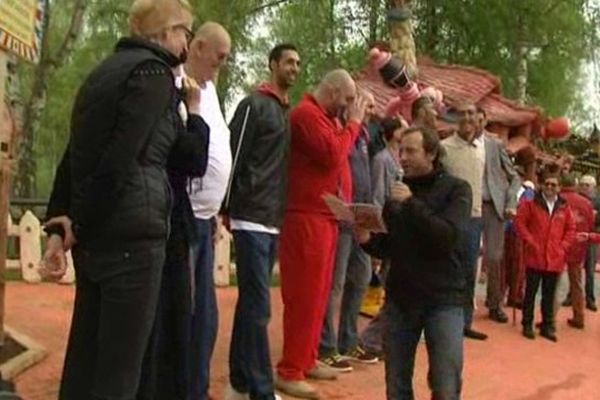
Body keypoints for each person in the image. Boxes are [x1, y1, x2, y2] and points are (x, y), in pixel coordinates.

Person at [40, 1, 211, 399]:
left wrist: (62, 222)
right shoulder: (154, 75)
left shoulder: (101, 74)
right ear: (167, 33)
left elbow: (75, 154)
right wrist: (80, 223)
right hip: (133, 237)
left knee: (86, 362)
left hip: (101, 238)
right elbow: (122, 158)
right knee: (121, 372)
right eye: (185, 32)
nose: (186, 40)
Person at [357, 126, 472, 400]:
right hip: (401, 301)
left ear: (431, 153)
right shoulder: (396, 196)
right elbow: (390, 247)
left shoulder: (457, 190)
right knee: (396, 385)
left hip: (444, 300)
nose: (403, 157)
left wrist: (411, 204)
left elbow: (447, 237)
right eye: (401, 150)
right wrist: (365, 239)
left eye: (411, 151)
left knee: (445, 385)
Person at [275, 69, 368, 400]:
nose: (349, 106)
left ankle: (307, 357)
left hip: (327, 217)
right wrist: (354, 124)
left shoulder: (328, 119)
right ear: (332, 91)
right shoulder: (306, 115)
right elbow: (332, 156)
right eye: (347, 99)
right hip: (305, 217)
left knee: (319, 296)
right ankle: (289, 370)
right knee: (303, 296)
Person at [223, 44, 301, 400]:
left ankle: (239, 382)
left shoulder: (284, 111)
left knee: (250, 305)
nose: (294, 68)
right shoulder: (253, 105)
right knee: (258, 307)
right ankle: (261, 390)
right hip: (250, 216)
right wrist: (226, 206)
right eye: (288, 62)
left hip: (271, 218)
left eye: (298, 63)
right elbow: (233, 154)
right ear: (272, 64)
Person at [183, 22, 232, 400]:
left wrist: (216, 207)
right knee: (187, 315)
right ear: (197, 47)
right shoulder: (178, 83)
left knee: (206, 320)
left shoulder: (210, 89)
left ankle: (196, 389)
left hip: (205, 218)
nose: (222, 65)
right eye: (219, 57)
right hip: (183, 218)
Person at [319, 91, 378, 372]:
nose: (369, 109)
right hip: (341, 217)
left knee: (361, 277)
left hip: (361, 218)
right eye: (364, 103)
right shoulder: (340, 129)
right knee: (335, 284)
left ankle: (348, 339)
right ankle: (326, 345)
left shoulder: (365, 135)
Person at [358, 117, 405, 358]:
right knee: (391, 291)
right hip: (386, 228)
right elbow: (377, 196)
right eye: (401, 129)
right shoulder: (382, 160)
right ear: (392, 133)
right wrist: (378, 230)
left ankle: (379, 339)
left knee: (394, 291)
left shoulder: (399, 160)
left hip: (399, 229)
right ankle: (370, 339)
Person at [441, 103, 487, 341]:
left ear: (478, 118)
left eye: (471, 113)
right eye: (463, 113)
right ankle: (442, 323)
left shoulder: (483, 148)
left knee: (469, 273)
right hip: (449, 219)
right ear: (456, 118)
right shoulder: (444, 148)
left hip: (475, 218)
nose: (467, 117)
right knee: (446, 270)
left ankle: (465, 323)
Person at [515, 172, 576, 342]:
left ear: (559, 188)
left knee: (549, 295)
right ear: (542, 184)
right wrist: (529, 241)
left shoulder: (564, 207)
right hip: (535, 255)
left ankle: (547, 325)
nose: (549, 187)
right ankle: (527, 323)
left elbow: (571, 229)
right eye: (547, 183)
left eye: (553, 184)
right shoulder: (530, 204)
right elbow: (520, 223)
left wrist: (563, 246)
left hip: (554, 258)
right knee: (531, 292)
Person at [476, 107, 520, 323]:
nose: (474, 121)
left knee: (494, 257)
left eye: (479, 118)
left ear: (484, 121)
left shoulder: (495, 145)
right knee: (463, 256)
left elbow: (515, 177)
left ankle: (494, 303)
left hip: (494, 204)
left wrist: (511, 202)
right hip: (468, 205)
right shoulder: (454, 144)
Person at [557, 173, 594, 329]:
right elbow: (590, 223)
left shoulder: (558, 199)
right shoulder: (586, 203)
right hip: (578, 244)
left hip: (559, 244)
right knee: (576, 283)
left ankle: (550, 316)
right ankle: (579, 316)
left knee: (554, 282)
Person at [563, 174, 600, 311]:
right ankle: (571, 296)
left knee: (589, 269)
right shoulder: (575, 199)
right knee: (574, 270)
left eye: (587, 185)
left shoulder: (597, 201)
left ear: (593, 187)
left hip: (591, 237)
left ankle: (590, 298)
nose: (584, 187)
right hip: (576, 237)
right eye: (582, 184)